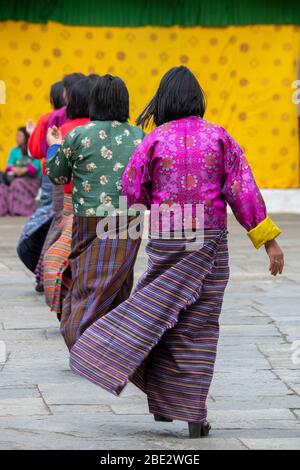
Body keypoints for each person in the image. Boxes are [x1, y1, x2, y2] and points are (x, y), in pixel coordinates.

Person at [69, 66, 284, 439]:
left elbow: (132, 190)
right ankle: (192, 414)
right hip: (209, 243)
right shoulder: (220, 137)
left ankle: (110, 355)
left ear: (164, 101)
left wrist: (161, 205)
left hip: (167, 239)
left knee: (157, 317)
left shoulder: (153, 140)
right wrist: (268, 240)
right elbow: (243, 190)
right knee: (199, 326)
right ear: (198, 99)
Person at [46, 74, 144, 349]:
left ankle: (80, 334)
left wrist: (54, 144)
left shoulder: (78, 134)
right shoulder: (139, 136)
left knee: (87, 278)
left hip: (89, 218)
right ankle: (114, 341)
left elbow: (56, 175)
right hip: (129, 217)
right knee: (120, 279)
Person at [43, 77, 91, 316]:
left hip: (71, 203)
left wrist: (52, 147)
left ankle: (65, 302)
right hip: (114, 212)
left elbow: (51, 170)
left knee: (58, 255)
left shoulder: (66, 130)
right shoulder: (127, 133)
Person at [34, 73, 86, 291]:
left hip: (59, 183)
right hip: (90, 194)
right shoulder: (95, 128)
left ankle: (45, 275)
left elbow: (35, 149)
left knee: (59, 225)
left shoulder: (53, 119)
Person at [16, 81, 65, 282]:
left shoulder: (50, 118)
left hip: (51, 175)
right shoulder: (87, 122)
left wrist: (32, 135)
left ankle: (42, 269)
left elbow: (34, 151)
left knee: (50, 217)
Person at [0, 127, 41, 216]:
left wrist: (24, 170)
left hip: (32, 180)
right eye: (16, 135)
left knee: (17, 183)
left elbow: (35, 166)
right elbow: (9, 166)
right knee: (3, 187)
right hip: (16, 177)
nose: (17, 138)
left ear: (26, 137)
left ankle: (21, 210)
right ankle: (7, 210)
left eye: (19, 135)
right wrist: (16, 170)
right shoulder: (14, 150)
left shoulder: (32, 149)